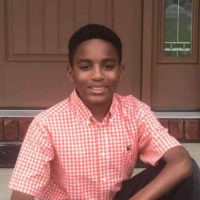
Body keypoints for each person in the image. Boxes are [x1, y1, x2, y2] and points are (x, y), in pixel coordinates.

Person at [9, 24, 200, 200]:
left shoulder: (134, 112)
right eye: (85, 67)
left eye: (108, 66)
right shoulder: (47, 124)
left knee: (187, 174)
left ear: (120, 71)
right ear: (71, 73)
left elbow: (181, 162)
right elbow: (22, 194)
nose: (98, 75)